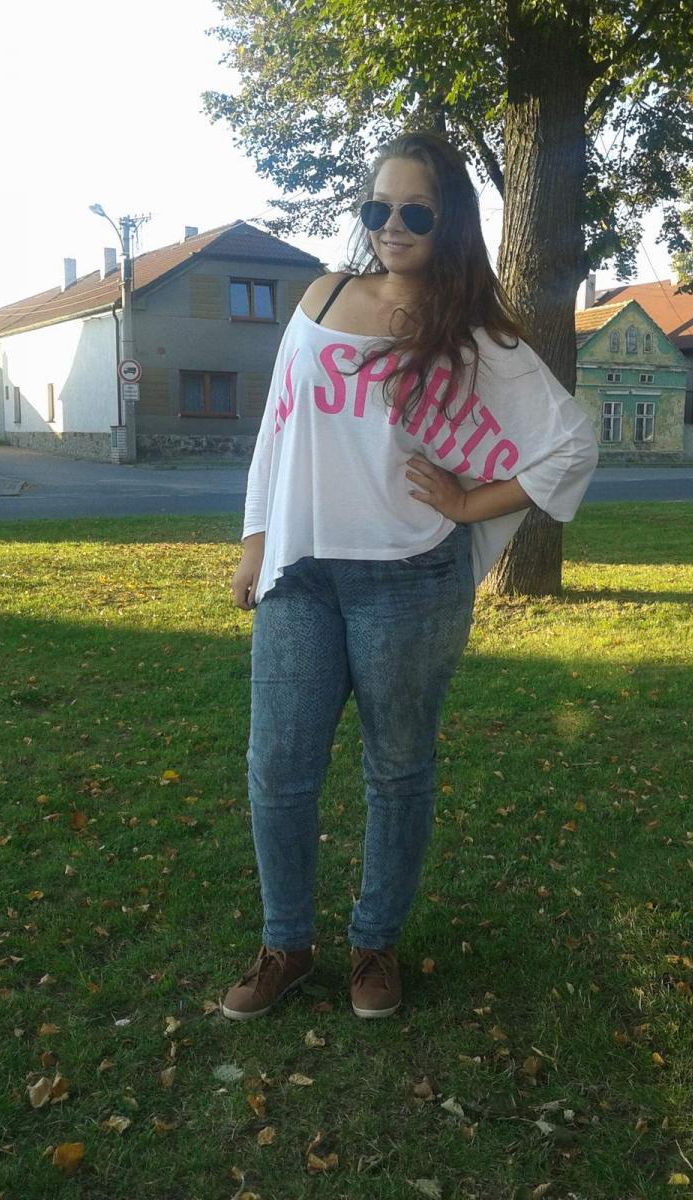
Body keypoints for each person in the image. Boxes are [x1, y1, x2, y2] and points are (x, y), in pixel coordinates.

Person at [221, 130, 598, 1022]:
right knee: (278, 767)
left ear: (449, 221)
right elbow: (278, 426)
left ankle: (374, 945)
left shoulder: (470, 331)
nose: (392, 226)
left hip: (409, 580)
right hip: (301, 573)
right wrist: (255, 538)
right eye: (377, 208)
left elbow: (570, 443)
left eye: (415, 213)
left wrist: (469, 504)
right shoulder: (322, 295)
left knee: (396, 771)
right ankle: (286, 945)